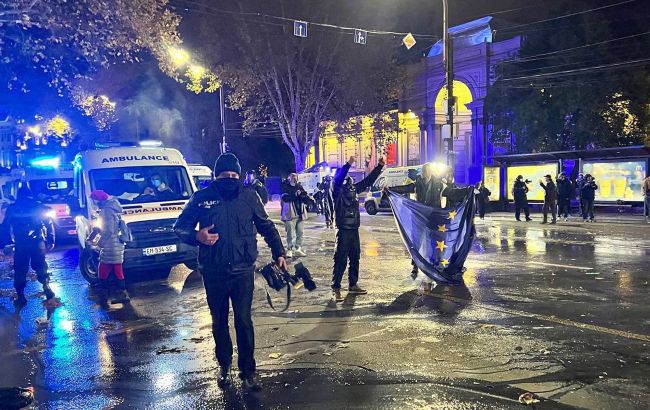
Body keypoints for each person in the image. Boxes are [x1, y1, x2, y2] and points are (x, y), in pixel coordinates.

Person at [174, 153, 285, 391]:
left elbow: (267, 226)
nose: (230, 179)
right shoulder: (201, 198)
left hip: (243, 271)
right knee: (219, 323)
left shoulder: (249, 197)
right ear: (216, 176)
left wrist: (280, 253)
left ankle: (248, 372)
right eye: (225, 175)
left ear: (240, 176)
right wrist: (197, 236)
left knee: (244, 321)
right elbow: (179, 227)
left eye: (235, 175)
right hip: (213, 272)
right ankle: (224, 366)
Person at [331, 156, 384, 302]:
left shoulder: (354, 189)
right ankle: (336, 288)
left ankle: (353, 284)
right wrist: (347, 164)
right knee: (340, 259)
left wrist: (379, 167)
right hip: (343, 230)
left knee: (355, 258)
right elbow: (338, 179)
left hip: (354, 228)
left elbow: (368, 181)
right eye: (346, 179)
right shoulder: (337, 190)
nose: (349, 181)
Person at [4, 186, 56, 306]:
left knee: (20, 269)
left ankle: (21, 295)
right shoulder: (38, 206)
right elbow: (48, 223)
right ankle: (47, 288)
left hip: (21, 244)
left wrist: (5, 244)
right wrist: (50, 240)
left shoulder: (12, 208)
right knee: (41, 266)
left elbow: (5, 227)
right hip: (37, 243)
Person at [90, 190, 129, 305]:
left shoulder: (106, 211)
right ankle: (117, 293)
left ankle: (107, 293)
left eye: (94, 200)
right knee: (115, 267)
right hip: (116, 242)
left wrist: (99, 243)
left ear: (99, 200)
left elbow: (108, 230)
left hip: (110, 243)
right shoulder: (112, 208)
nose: (94, 202)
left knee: (105, 267)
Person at [280, 173, 310, 258]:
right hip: (289, 214)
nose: (295, 179)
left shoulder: (299, 187)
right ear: (289, 178)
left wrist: (304, 196)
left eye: (296, 177)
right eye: (293, 178)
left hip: (300, 213)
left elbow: (304, 196)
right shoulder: (285, 187)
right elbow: (285, 198)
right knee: (290, 233)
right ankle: (289, 249)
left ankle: (298, 248)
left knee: (300, 232)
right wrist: (295, 195)